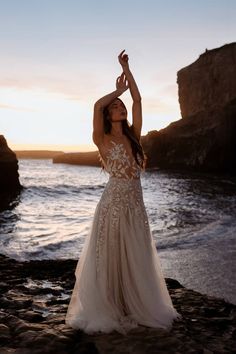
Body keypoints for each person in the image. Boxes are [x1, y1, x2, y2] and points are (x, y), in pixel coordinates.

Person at [65, 50, 182, 334]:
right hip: (114, 202)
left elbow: (138, 100)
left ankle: (133, 305)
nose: (121, 107)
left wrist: (127, 70)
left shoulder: (134, 135)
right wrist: (117, 89)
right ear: (108, 114)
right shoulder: (101, 138)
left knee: (135, 252)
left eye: (121, 105)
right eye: (116, 106)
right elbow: (95, 106)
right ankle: (112, 305)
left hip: (135, 202)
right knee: (112, 253)